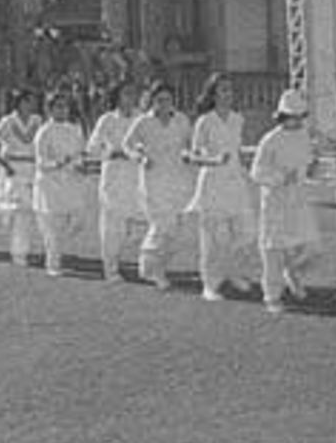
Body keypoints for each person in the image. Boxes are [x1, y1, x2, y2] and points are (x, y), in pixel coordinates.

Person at [185, 73, 258, 302]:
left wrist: (251, 157)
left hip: (235, 182)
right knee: (213, 238)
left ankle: (233, 272)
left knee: (246, 232)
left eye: (230, 90)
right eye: (223, 90)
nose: (228, 94)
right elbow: (194, 156)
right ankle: (210, 284)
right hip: (212, 183)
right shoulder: (204, 121)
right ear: (213, 94)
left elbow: (236, 150)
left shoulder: (238, 118)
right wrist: (214, 160)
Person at [250, 88, 321, 315]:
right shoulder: (270, 140)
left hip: (299, 201)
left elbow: (307, 164)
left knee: (312, 249)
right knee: (273, 251)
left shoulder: (304, 136)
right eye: (293, 116)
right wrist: (280, 178)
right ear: (282, 116)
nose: (297, 121)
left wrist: (311, 168)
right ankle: (272, 296)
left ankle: (293, 273)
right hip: (275, 203)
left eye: (300, 117)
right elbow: (256, 173)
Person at [123, 81, 194, 290]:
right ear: (152, 101)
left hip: (178, 180)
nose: (164, 104)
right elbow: (127, 145)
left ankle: (157, 266)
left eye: (168, 100)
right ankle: (150, 268)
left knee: (175, 230)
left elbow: (190, 145)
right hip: (153, 181)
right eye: (159, 100)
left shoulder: (181, 120)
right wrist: (139, 157)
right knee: (161, 225)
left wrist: (190, 154)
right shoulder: (143, 122)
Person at [86, 80, 142, 283]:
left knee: (141, 224)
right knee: (112, 226)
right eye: (126, 93)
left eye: (133, 93)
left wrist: (138, 153)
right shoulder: (107, 120)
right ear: (117, 96)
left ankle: (144, 265)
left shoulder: (142, 119)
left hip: (137, 179)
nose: (130, 98)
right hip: (114, 179)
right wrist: (112, 152)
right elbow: (92, 147)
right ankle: (111, 269)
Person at [33, 92, 88, 278]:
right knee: (53, 227)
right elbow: (40, 162)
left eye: (64, 106)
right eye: (57, 106)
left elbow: (81, 154)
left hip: (71, 184)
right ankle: (53, 265)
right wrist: (57, 164)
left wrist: (81, 166)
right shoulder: (43, 132)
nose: (62, 110)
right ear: (49, 109)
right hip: (50, 185)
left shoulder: (75, 129)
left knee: (79, 221)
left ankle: (55, 248)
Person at [0, 89, 42, 267]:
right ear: (18, 103)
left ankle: (22, 249)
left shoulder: (37, 120)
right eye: (27, 101)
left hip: (32, 168)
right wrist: (4, 165)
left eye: (32, 102)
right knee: (19, 211)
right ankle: (19, 253)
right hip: (14, 168)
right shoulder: (8, 121)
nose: (30, 105)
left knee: (29, 211)